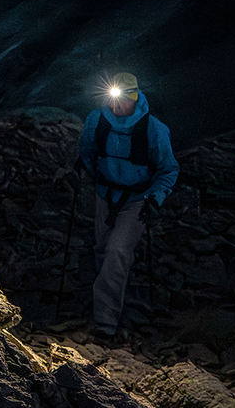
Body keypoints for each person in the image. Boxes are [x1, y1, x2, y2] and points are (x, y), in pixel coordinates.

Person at [76, 72, 179, 338]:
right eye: (111, 97)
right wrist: (93, 174)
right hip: (105, 195)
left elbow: (168, 169)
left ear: (134, 96)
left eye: (121, 97)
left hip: (136, 200)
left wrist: (154, 198)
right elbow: (87, 151)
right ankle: (107, 300)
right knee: (102, 250)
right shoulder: (96, 120)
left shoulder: (153, 128)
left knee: (117, 252)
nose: (115, 104)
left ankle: (106, 322)